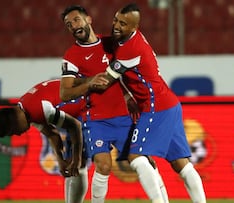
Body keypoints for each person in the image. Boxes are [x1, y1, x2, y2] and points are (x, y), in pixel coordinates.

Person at [94, 3, 207, 203]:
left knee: (135, 156)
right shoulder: (129, 40)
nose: (116, 26)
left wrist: (79, 82)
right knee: (181, 164)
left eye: (123, 23)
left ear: (134, 28)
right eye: (116, 20)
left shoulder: (131, 49)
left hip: (157, 107)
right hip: (169, 104)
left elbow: (105, 82)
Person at [60, 5, 168, 203]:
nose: (73, 26)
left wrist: (129, 97)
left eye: (76, 20)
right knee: (103, 165)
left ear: (88, 19)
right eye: (68, 24)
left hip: (123, 117)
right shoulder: (71, 56)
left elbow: (127, 71)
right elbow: (65, 93)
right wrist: (89, 83)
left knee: (143, 161)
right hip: (96, 121)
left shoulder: (111, 43)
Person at [0, 79, 87, 203]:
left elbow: (75, 126)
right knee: (71, 164)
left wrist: (77, 158)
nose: (18, 134)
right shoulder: (25, 110)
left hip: (88, 107)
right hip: (78, 113)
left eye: (14, 132)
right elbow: (52, 135)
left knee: (81, 163)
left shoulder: (39, 109)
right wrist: (60, 160)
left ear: (14, 123)